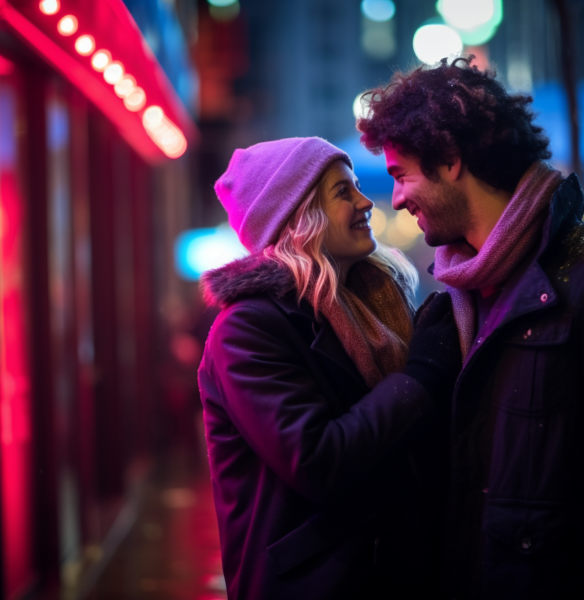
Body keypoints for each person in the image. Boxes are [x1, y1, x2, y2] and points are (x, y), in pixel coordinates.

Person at [358, 55, 584, 599]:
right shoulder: (456, 303)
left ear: (451, 158)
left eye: (401, 174)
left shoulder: (574, 282)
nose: (397, 198)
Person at [198, 137, 461, 600]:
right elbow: (318, 460)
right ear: (298, 216)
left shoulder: (371, 301)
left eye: (358, 187)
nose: (365, 203)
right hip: (318, 583)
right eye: (343, 192)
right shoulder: (246, 330)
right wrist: (421, 374)